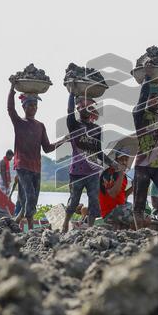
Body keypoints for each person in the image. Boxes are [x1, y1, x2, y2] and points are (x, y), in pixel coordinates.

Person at [7, 86, 66, 230]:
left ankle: (19, 218)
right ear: (24, 107)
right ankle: (30, 228)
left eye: (35, 105)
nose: (33, 108)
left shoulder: (40, 126)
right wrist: (12, 89)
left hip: (36, 167)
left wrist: (64, 140)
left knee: (28, 197)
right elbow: (10, 109)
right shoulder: (19, 122)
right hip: (22, 166)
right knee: (30, 196)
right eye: (30, 105)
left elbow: (47, 148)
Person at [132, 63, 158, 230]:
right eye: (151, 97)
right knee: (139, 202)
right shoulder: (140, 115)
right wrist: (148, 77)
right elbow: (140, 102)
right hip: (143, 164)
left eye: (157, 98)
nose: (155, 100)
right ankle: (141, 231)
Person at [63, 94, 104, 233]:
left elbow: (99, 151)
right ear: (78, 109)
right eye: (83, 106)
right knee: (74, 201)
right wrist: (71, 93)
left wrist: (109, 164)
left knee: (94, 201)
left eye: (89, 106)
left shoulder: (97, 129)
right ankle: (64, 225)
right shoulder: (74, 125)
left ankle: (90, 229)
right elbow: (69, 111)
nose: (87, 109)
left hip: (93, 172)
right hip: (77, 172)